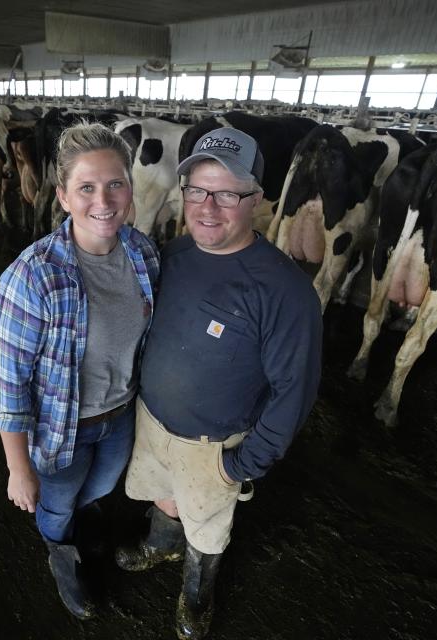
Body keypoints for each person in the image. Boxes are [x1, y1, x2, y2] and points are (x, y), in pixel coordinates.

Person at [114, 127, 323, 640]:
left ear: (257, 199)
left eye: (227, 193)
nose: (208, 207)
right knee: (161, 494)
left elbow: (293, 394)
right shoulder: (176, 256)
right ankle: (162, 543)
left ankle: (195, 596)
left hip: (213, 446)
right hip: (152, 419)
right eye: (197, 191)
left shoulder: (285, 292)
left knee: (207, 527)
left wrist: (241, 466)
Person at [0, 123, 160, 620]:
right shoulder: (33, 274)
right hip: (59, 430)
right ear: (62, 196)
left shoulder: (143, 254)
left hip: (119, 418)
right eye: (86, 187)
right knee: (58, 504)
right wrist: (18, 468)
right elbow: (10, 383)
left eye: (115, 184)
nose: (103, 200)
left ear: (131, 188)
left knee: (101, 490)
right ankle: (61, 557)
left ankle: (79, 530)